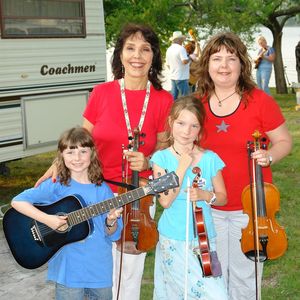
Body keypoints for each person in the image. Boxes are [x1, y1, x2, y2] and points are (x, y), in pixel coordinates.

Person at [35, 23, 174, 300]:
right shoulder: (102, 92)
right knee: (88, 264)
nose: (137, 55)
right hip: (93, 191)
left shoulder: (162, 99)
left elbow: (165, 147)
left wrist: (147, 161)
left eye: (145, 49)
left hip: (138, 196)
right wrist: (55, 165)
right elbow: (81, 137)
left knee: (129, 272)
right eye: (130, 48)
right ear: (120, 55)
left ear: (154, 56)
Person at [196, 31, 292, 300]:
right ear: (207, 64)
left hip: (250, 211)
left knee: (246, 281)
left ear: (242, 64)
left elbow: (284, 141)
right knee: (212, 279)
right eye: (217, 58)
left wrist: (269, 156)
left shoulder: (260, 101)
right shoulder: (197, 104)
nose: (224, 66)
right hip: (209, 206)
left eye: (231, 58)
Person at [11, 127, 123, 300]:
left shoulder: (103, 191)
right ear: (61, 155)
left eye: (83, 151)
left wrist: (111, 221)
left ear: (92, 153)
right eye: (70, 152)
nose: (77, 158)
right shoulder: (56, 185)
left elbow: (113, 235)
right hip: (68, 271)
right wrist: (48, 219)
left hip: (99, 270)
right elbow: (17, 201)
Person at [150, 96, 228, 300]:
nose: (186, 131)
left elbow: (222, 197)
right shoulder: (161, 159)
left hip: (203, 238)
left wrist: (206, 195)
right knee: (177, 293)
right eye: (181, 123)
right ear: (171, 123)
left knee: (215, 294)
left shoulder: (210, 159)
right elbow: (165, 201)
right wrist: (183, 167)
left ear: (200, 130)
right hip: (173, 239)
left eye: (194, 126)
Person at [166, 31, 190, 100]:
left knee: (173, 98)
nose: (183, 41)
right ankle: (185, 110)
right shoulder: (181, 48)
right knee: (186, 98)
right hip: (181, 77)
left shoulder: (169, 49)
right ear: (179, 39)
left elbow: (168, 65)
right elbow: (184, 61)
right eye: (182, 39)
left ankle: (171, 110)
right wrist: (190, 58)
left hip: (173, 76)